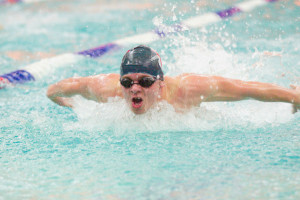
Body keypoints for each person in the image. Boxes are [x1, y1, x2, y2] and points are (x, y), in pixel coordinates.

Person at [47, 45, 300, 114]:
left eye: (145, 81)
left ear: (161, 82)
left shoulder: (186, 89)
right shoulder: (106, 89)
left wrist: (294, 96)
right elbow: (55, 90)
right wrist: (70, 105)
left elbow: (246, 89)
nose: (134, 87)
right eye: (127, 82)